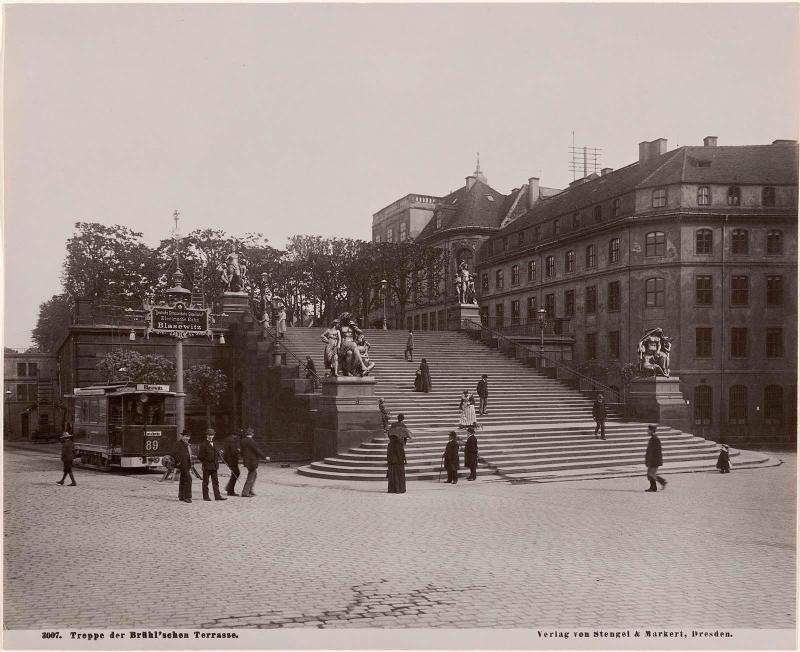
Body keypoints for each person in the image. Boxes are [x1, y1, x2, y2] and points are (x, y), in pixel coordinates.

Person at [198, 429, 226, 501]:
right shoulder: (203, 444)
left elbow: (215, 454)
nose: (211, 436)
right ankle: (206, 497)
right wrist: (207, 460)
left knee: (216, 482)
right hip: (207, 467)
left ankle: (217, 496)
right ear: (206, 435)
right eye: (209, 435)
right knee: (205, 482)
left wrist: (219, 453)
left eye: (212, 435)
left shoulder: (214, 443)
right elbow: (200, 457)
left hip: (214, 466)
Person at [240, 427, 267, 498]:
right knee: (251, 476)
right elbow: (257, 450)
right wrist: (265, 457)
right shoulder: (252, 441)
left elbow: (241, 452)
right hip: (252, 462)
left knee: (254, 474)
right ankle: (245, 492)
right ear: (252, 434)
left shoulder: (243, 441)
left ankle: (250, 490)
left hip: (247, 462)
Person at [644, 424, 668, 492]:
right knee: (649, 474)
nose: (647, 431)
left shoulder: (655, 439)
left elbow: (657, 451)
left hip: (654, 460)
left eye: (648, 430)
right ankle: (653, 487)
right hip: (652, 460)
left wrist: (652, 461)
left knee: (651, 474)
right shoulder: (653, 438)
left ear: (651, 431)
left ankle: (662, 482)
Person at [174, 431, 193, 503]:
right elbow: (174, 453)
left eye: (188, 436)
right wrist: (179, 461)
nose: (187, 438)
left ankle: (181, 496)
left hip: (187, 465)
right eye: (185, 436)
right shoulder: (178, 444)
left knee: (183, 479)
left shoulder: (187, 445)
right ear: (182, 437)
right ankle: (187, 497)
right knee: (189, 479)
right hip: (182, 465)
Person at [223, 430, 242, 496]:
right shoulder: (231, 440)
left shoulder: (228, 439)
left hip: (229, 460)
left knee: (235, 473)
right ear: (235, 435)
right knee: (236, 473)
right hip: (231, 460)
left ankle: (229, 489)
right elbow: (233, 451)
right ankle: (230, 491)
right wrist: (238, 450)